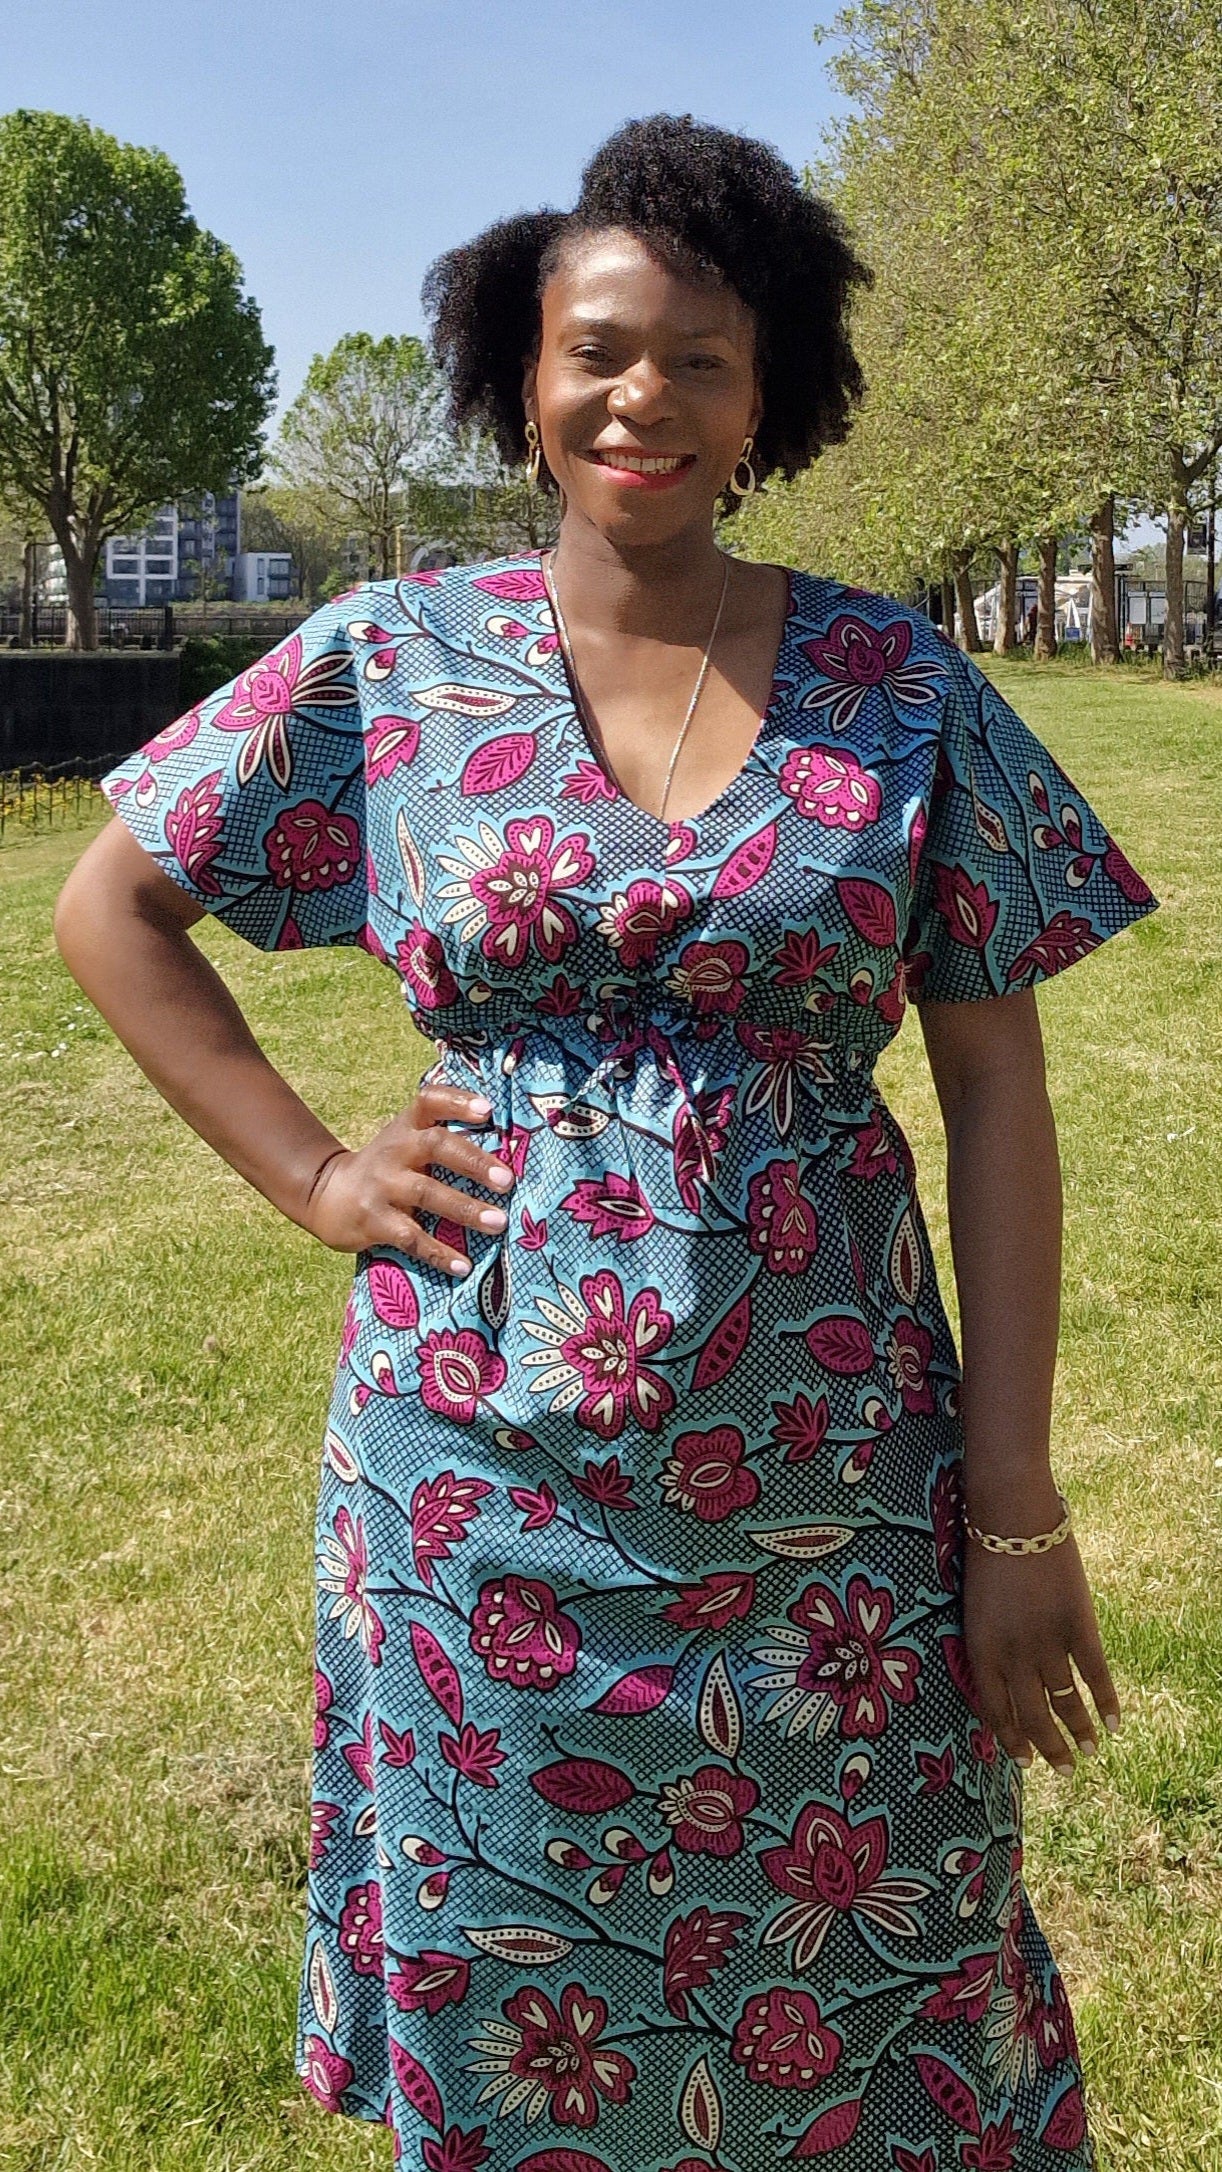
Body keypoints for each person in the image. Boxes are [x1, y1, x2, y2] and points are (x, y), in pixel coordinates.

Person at [55, 114, 1159, 2172]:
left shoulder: (891, 687)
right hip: (479, 1493)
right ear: (518, 374)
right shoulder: (392, 662)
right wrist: (311, 1174)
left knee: (878, 1941)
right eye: (596, 348)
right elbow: (109, 904)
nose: (641, 394)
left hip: (832, 1503)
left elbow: (995, 1085)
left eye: (701, 359)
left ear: (773, 398)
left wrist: (1007, 1505)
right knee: (521, 1984)